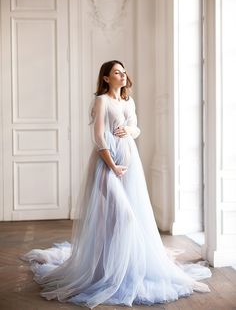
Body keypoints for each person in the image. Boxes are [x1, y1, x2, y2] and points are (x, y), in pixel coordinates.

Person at [22, 60, 211, 308]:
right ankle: (108, 273)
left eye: (123, 72)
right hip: (107, 167)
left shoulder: (128, 101)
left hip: (130, 168)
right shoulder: (102, 101)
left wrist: (130, 132)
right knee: (124, 217)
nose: (122, 76)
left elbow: (136, 128)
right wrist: (112, 165)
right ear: (106, 78)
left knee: (122, 219)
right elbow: (99, 135)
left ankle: (124, 268)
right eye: (116, 73)